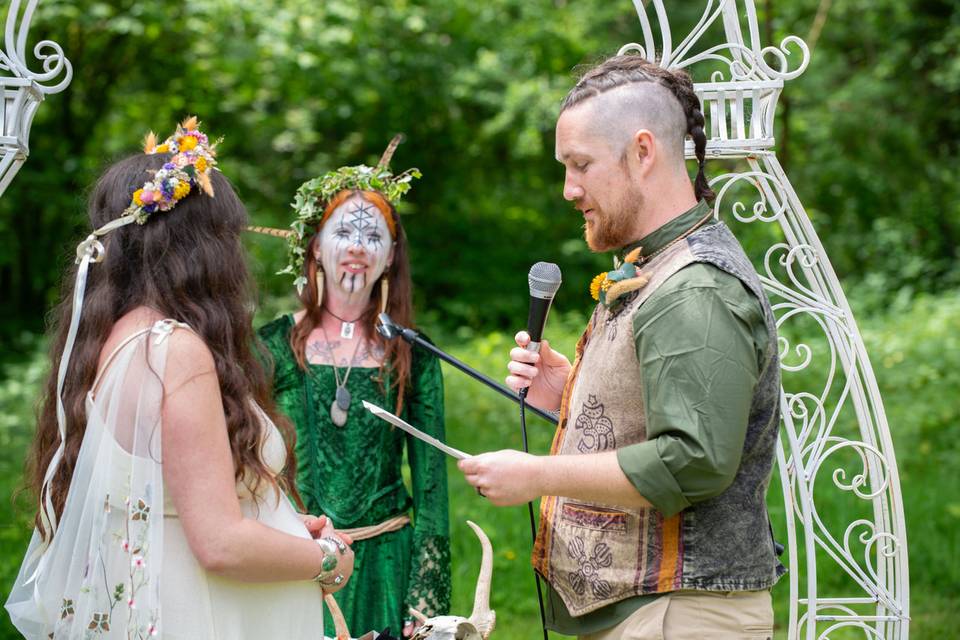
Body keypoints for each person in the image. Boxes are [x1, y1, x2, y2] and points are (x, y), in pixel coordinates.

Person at [458, 55, 784, 638]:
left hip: (685, 616)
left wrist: (538, 474)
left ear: (642, 151)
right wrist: (568, 396)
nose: (568, 189)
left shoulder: (695, 288)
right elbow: (656, 420)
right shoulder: (657, 264)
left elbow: (692, 462)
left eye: (580, 165)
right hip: (654, 612)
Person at [6, 118, 354, 639]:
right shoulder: (175, 350)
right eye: (225, 237)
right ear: (199, 247)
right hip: (200, 617)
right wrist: (327, 558)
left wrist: (275, 526)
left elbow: (174, 504)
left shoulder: (115, 337)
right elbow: (218, 543)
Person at [255, 137, 451, 637]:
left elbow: (431, 488)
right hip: (295, 560)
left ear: (390, 257)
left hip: (387, 567)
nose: (359, 247)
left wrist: (425, 600)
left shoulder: (412, 354)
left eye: (375, 236)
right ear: (314, 248)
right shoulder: (269, 348)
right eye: (344, 232)